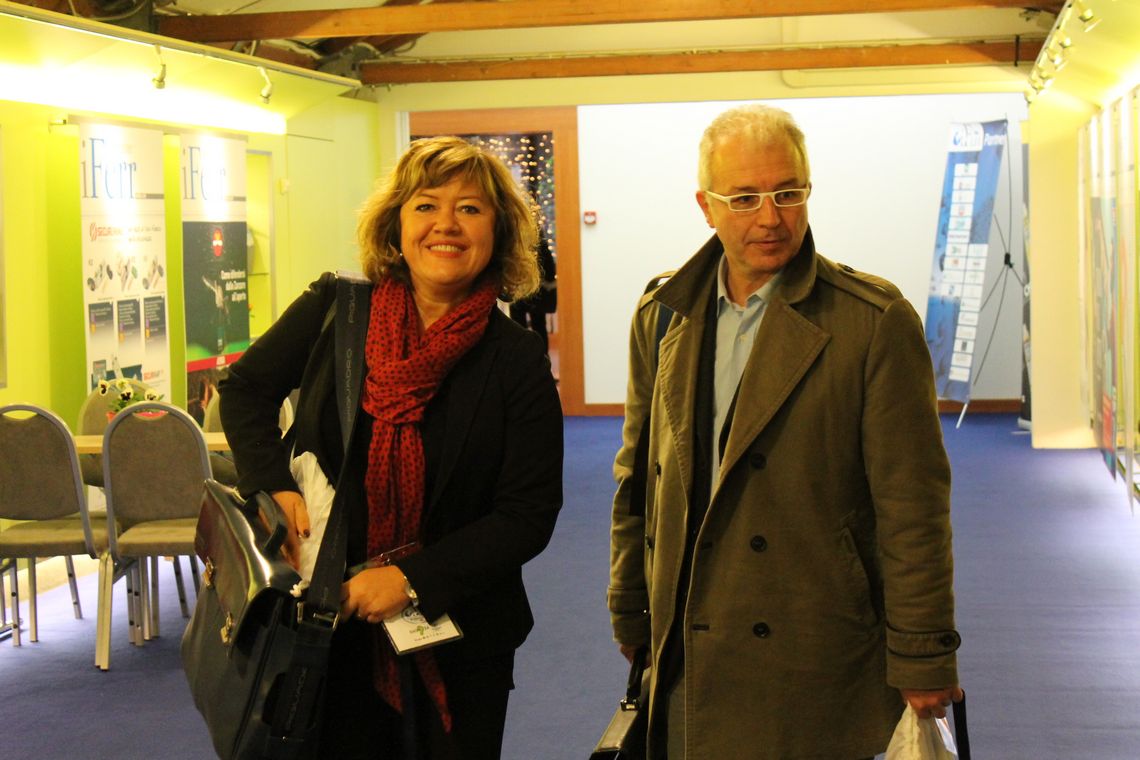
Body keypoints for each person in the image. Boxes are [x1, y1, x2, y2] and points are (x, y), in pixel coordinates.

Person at [607, 104, 962, 759]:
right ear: (706, 207)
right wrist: (631, 603)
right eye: (744, 198)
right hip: (690, 642)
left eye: (788, 193)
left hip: (811, 645)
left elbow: (912, 506)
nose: (770, 218)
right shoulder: (662, 315)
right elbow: (637, 480)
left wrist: (922, 651)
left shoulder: (871, 321)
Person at [219, 136, 564, 760]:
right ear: (396, 225)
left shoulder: (516, 358)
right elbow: (244, 390)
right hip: (323, 621)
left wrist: (410, 579)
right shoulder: (335, 310)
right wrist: (272, 482)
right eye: (426, 205)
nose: (446, 225)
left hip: (460, 633)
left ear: (498, 232)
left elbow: (527, 513)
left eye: (470, 209)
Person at [508, 235, 557, 354]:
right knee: (538, 325)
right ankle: (541, 356)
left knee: (518, 326)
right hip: (536, 290)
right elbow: (549, 269)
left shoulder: (513, 242)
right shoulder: (540, 243)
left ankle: (523, 355)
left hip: (519, 289)